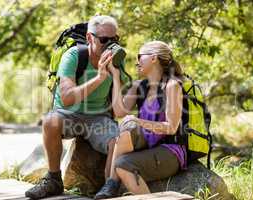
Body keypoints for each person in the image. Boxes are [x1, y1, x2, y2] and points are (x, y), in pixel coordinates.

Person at [25, 15, 129, 199]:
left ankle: (109, 187)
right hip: (68, 114)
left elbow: (119, 110)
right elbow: (66, 98)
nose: (110, 45)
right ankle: (54, 179)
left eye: (114, 40)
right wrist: (99, 78)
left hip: (98, 117)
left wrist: (114, 75)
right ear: (90, 38)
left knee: (118, 139)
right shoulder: (73, 56)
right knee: (50, 121)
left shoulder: (117, 60)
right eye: (104, 40)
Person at [94, 41, 187, 199]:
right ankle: (111, 184)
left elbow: (171, 127)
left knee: (127, 141)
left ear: (153, 58)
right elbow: (119, 111)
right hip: (148, 143)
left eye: (139, 56)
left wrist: (138, 122)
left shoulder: (172, 86)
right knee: (122, 159)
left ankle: (110, 184)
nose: (137, 62)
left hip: (170, 149)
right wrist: (115, 77)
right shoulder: (139, 86)